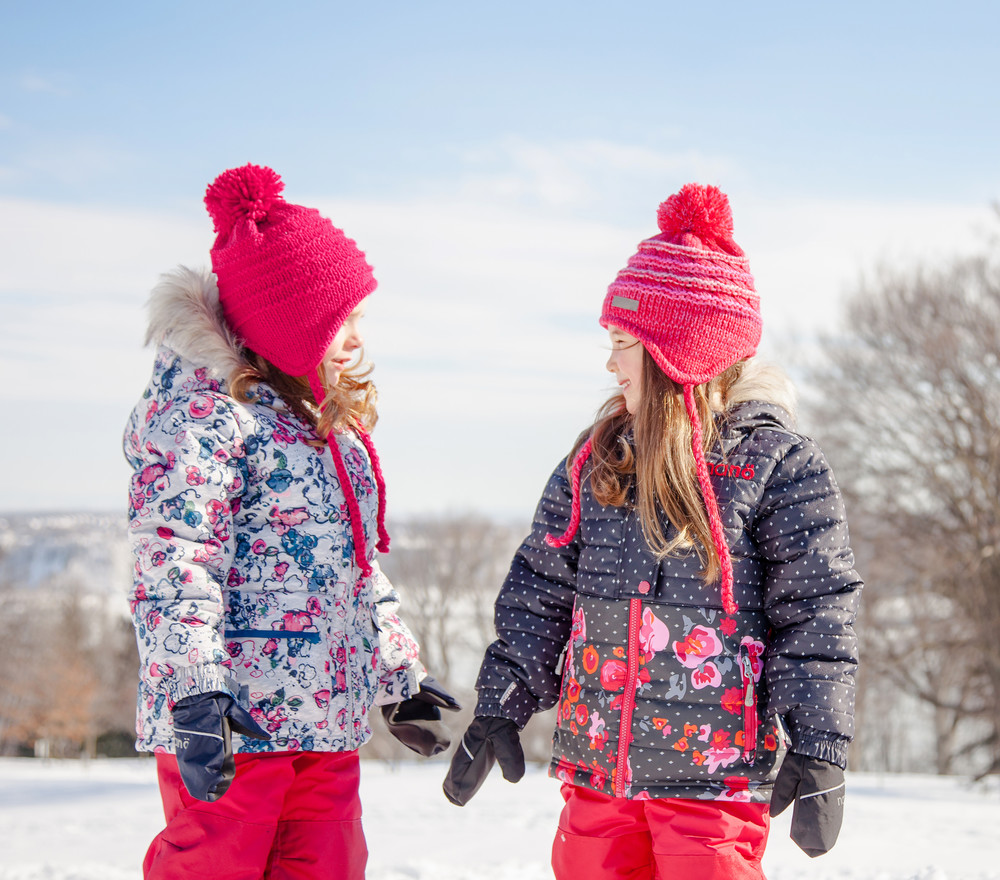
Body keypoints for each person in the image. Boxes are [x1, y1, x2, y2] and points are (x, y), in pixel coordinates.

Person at [444, 183, 862, 878]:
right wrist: (502, 703)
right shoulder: (597, 457)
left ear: (677, 357)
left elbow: (818, 613)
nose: (610, 364)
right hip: (596, 775)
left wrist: (819, 745)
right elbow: (541, 590)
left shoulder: (778, 465)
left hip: (712, 784)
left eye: (622, 344)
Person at [124, 163, 459, 880]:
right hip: (231, 719)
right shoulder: (206, 420)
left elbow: (356, 568)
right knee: (217, 866)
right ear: (288, 318)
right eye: (344, 319)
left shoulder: (323, 429)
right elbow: (176, 561)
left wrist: (396, 674)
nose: (356, 337)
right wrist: (194, 685)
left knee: (328, 866)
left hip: (325, 719)